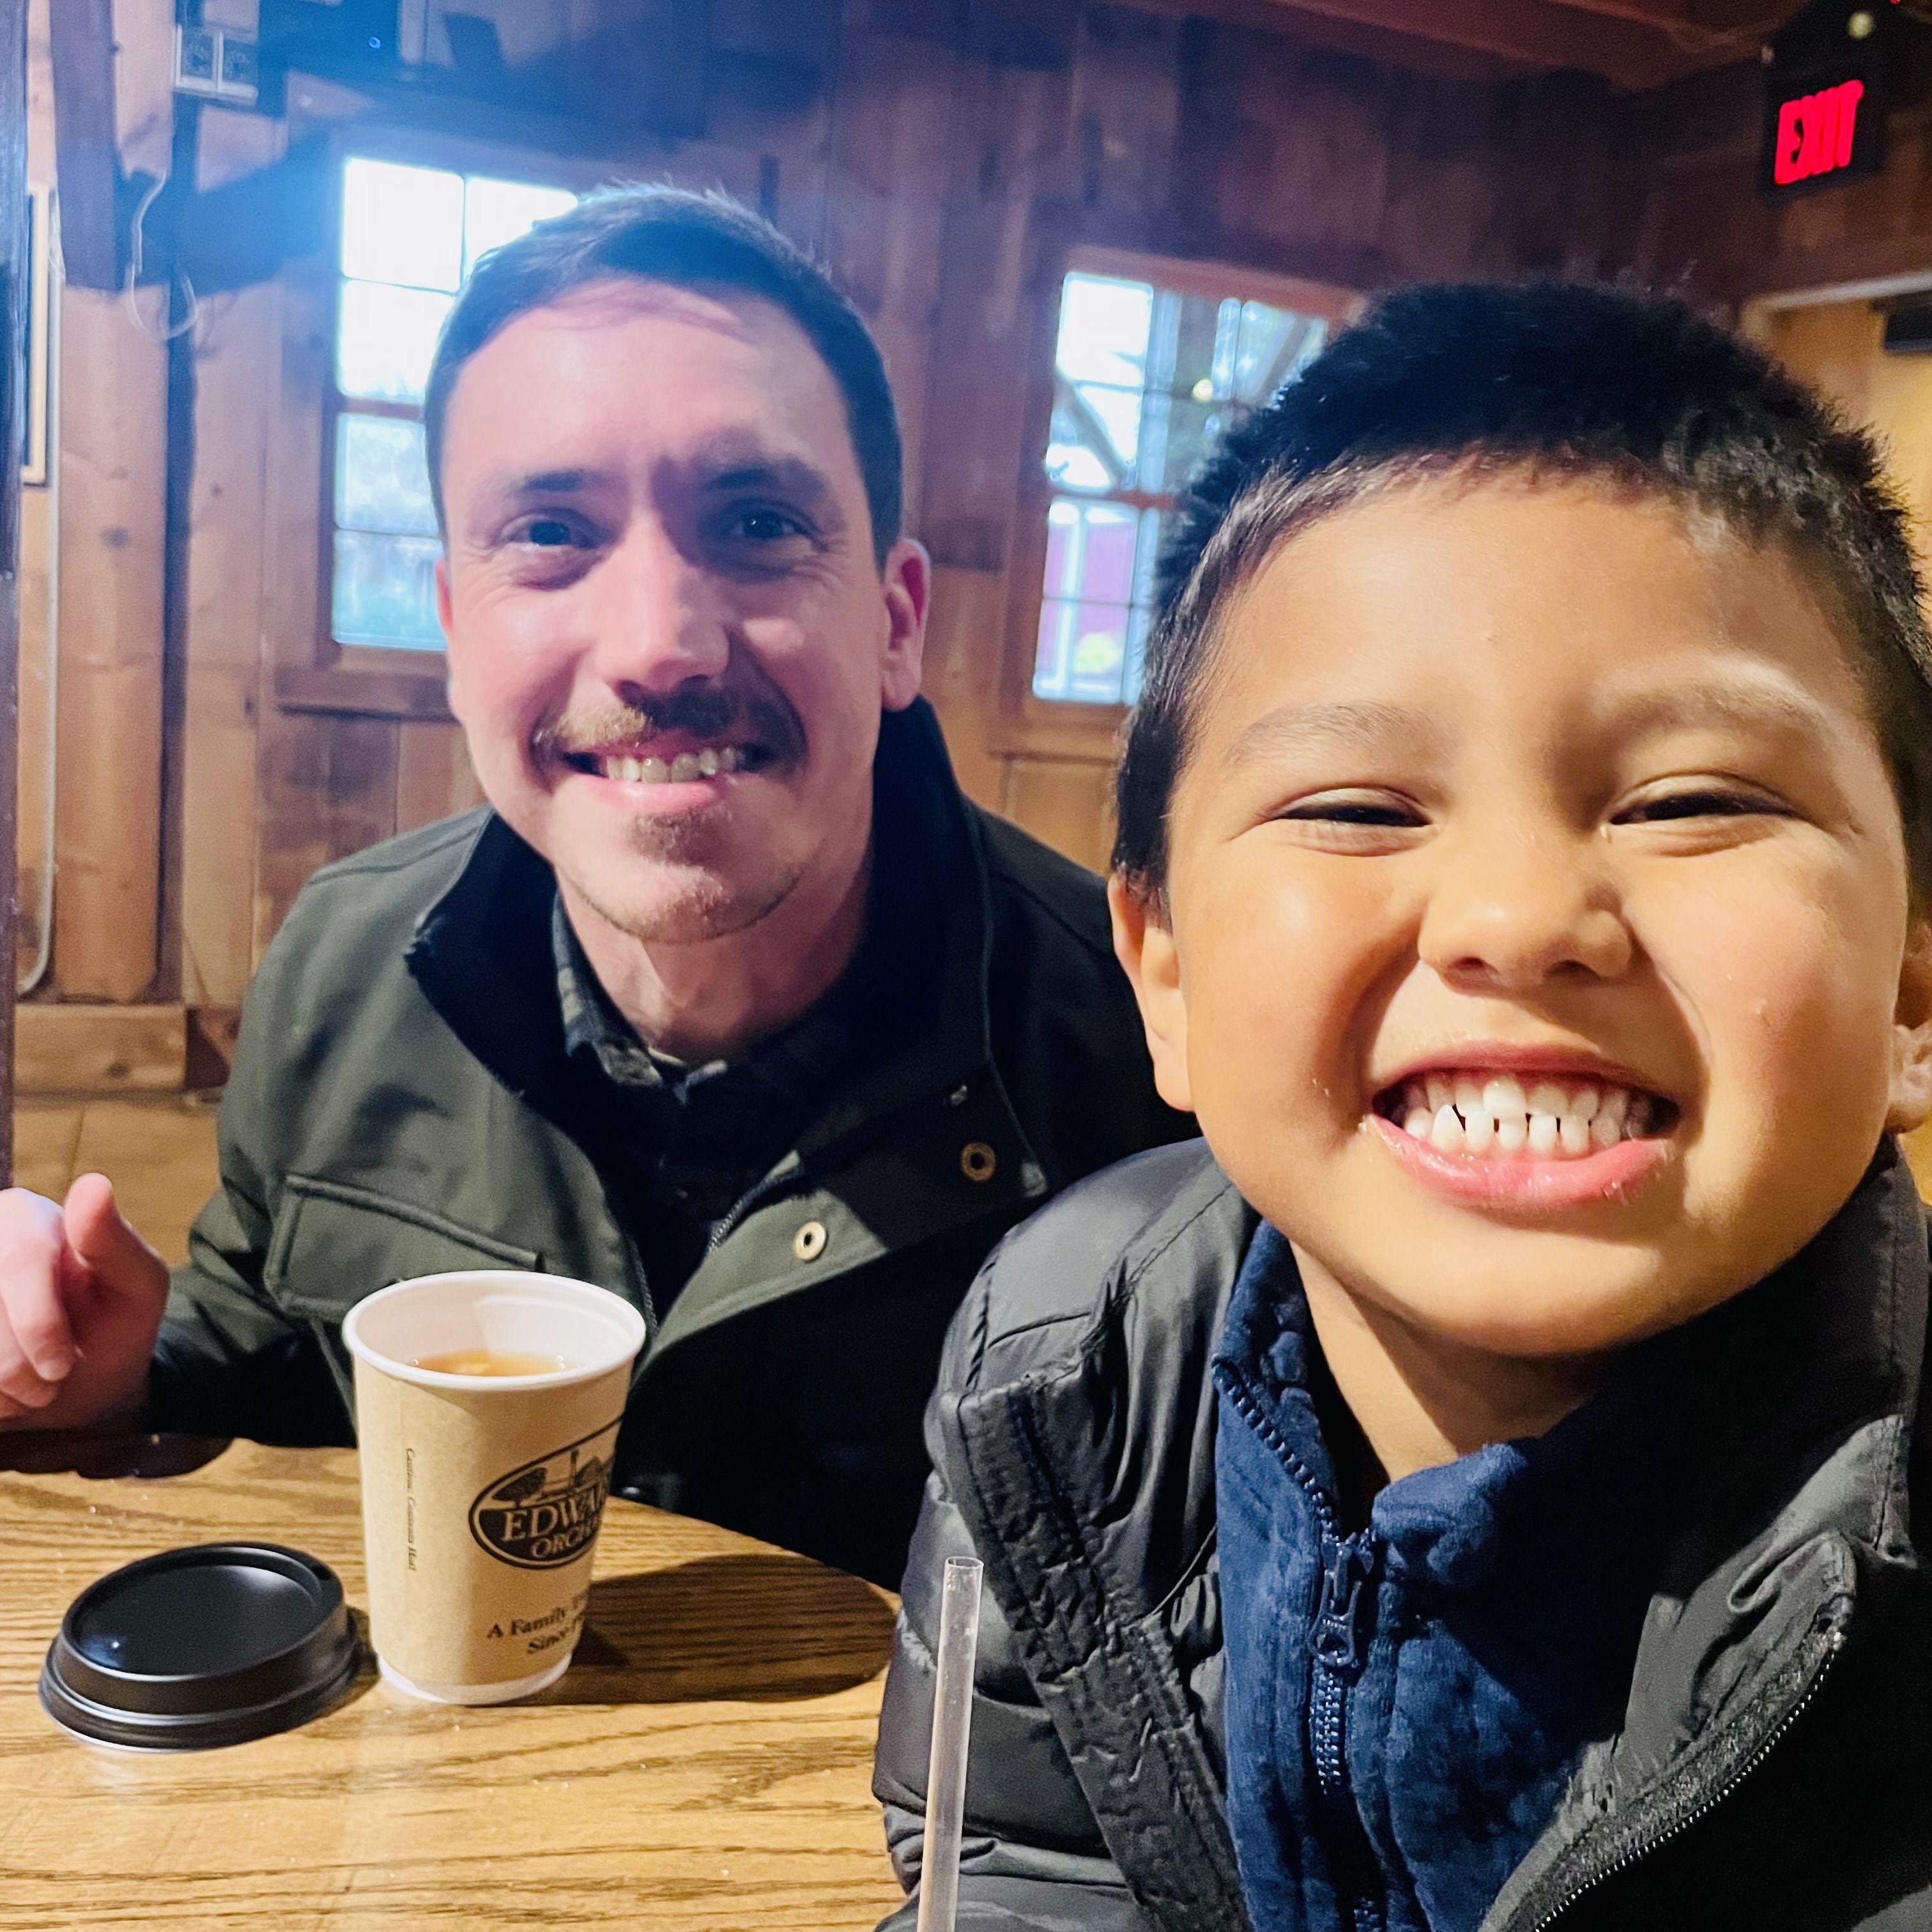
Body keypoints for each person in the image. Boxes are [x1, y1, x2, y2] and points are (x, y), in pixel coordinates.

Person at [873, 282, 1932, 1928]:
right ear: (1162, 971)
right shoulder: (1068, 1359)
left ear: (1912, 991)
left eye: (1692, 799)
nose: (1516, 916)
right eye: (1360, 807)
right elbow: (1025, 1865)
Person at [0, 187, 1188, 1587]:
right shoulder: (343, 963)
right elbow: (269, 1363)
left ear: (894, 621)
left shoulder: (1142, 1057)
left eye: (757, 521)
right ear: (457, 632)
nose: (658, 646)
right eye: (553, 532)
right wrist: (108, 1377)